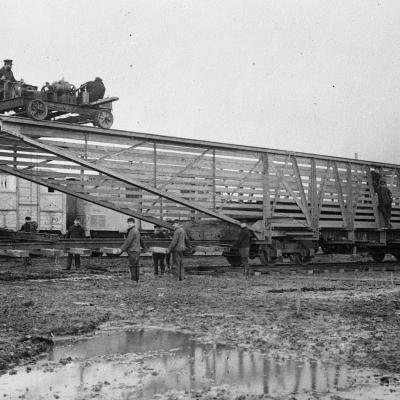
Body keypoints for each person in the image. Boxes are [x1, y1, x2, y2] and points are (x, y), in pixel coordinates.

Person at [119, 218, 148, 282]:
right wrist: (145, 248)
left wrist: (122, 249)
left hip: (132, 251)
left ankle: (133, 280)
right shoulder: (136, 230)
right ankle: (137, 279)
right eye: (128, 223)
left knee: (132, 266)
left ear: (134, 223)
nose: (129, 224)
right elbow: (141, 240)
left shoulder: (132, 231)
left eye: (130, 223)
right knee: (136, 265)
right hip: (137, 251)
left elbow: (128, 241)